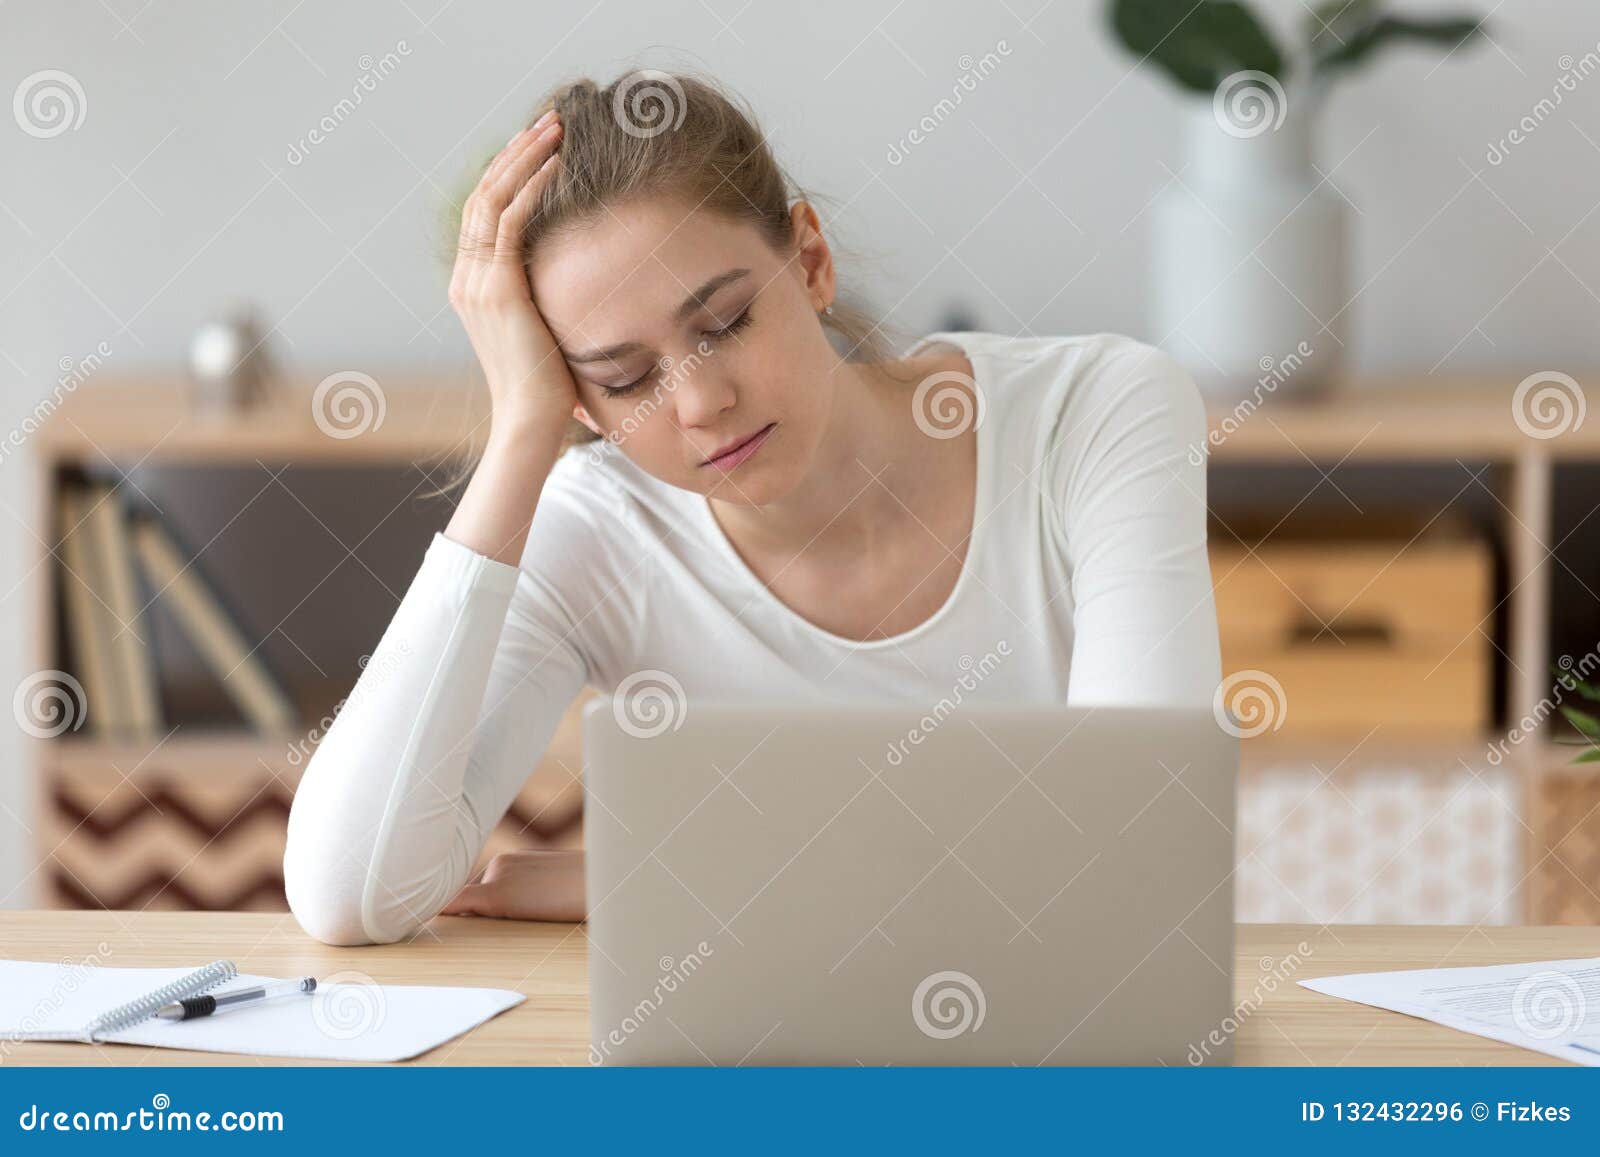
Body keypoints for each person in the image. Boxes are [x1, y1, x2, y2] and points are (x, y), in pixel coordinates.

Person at [282, 70, 1221, 947]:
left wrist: (646, 878)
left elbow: (1136, 850)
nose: (698, 404)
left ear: (810, 260)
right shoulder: (601, 527)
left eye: (725, 323)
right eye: (622, 377)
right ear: (580, 402)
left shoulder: (1097, 415)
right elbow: (352, 890)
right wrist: (523, 428)